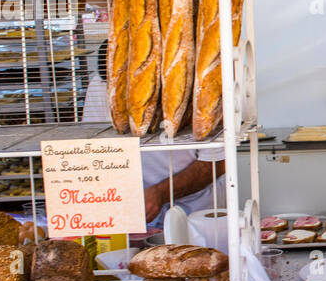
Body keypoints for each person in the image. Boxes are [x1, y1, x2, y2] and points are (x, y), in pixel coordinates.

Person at [81, 41, 226, 222]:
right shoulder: (102, 84)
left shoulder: (202, 86)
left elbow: (218, 162)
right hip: (131, 209)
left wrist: (160, 193)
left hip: (198, 210)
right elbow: (92, 151)